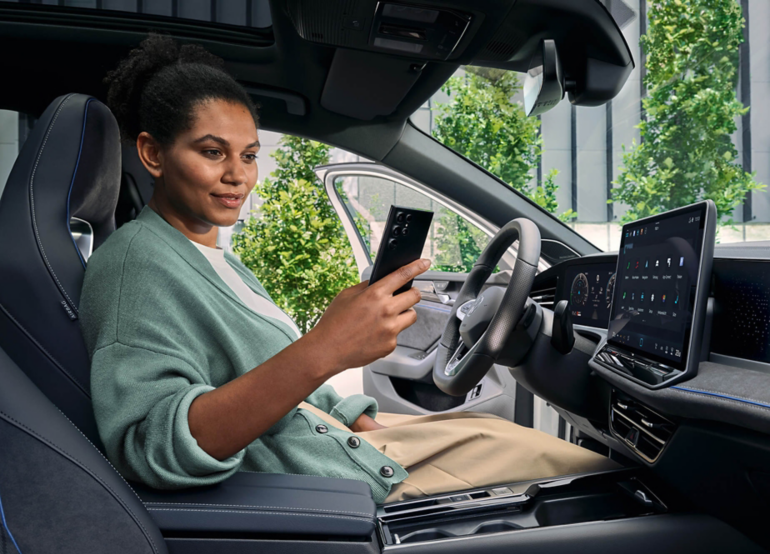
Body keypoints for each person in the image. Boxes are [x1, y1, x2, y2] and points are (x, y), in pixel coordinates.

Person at [80, 34, 617, 505]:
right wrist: (327, 347)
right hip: (323, 487)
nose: (237, 177)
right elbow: (151, 448)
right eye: (212, 152)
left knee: (510, 441)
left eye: (248, 155)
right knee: (601, 482)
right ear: (152, 154)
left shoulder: (211, 256)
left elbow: (271, 369)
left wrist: (366, 424)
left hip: (345, 449)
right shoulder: (134, 267)